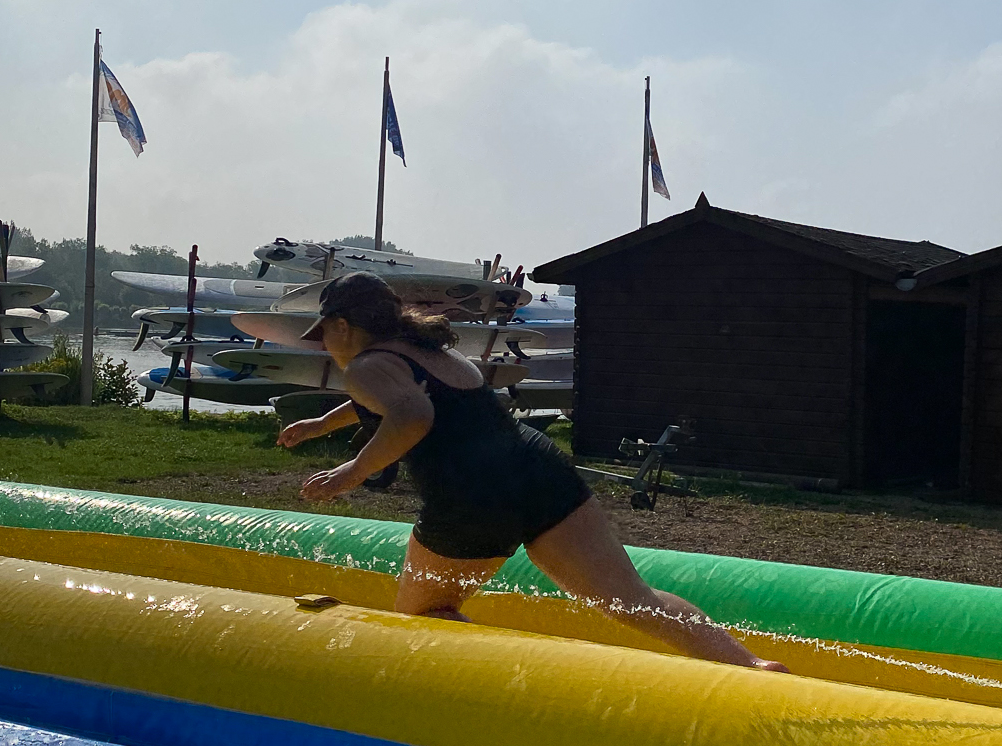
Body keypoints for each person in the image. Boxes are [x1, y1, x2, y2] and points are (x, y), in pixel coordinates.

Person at [276, 272, 784, 671]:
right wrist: (321, 424)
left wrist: (351, 472)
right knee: (631, 599)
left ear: (342, 326)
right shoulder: (426, 350)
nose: (325, 346)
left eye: (324, 335)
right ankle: (750, 667)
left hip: (473, 495)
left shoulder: (367, 367)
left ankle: (498, 694)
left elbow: (411, 415)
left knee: (423, 617)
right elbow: (401, 399)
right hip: (538, 470)